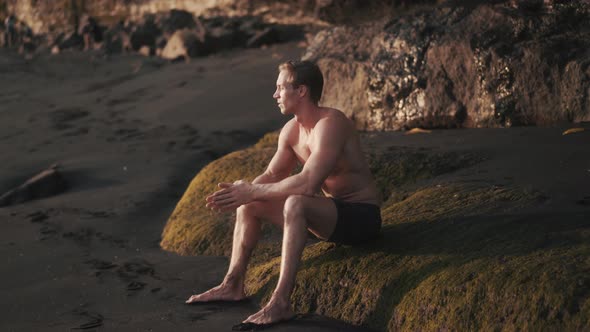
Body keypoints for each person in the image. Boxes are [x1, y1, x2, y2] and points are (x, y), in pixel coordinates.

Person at [185, 60, 382, 328]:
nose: (275, 95)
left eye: (280, 88)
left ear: (301, 91)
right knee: (251, 203)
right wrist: (243, 193)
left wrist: (252, 190)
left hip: (362, 218)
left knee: (295, 204)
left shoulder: (331, 124)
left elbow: (308, 184)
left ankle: (281, 302)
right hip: (330, 214)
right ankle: (232, 284)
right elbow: (271, 176)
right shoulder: (291, 131)